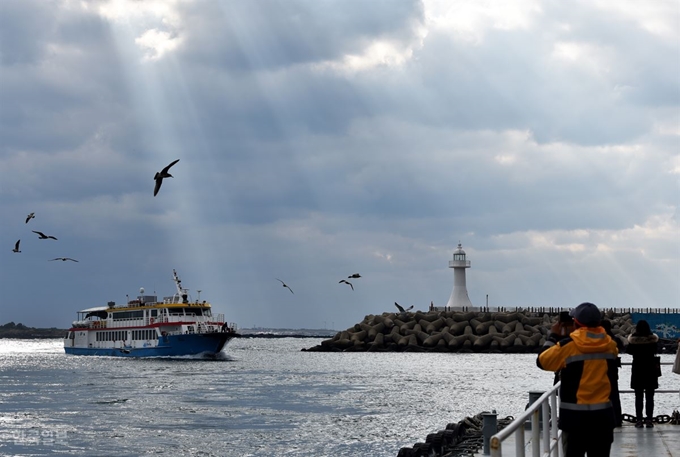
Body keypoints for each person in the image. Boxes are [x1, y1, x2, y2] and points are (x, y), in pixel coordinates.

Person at [537, 302, 618, 457]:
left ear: (576, 323)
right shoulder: (610, 345)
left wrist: (554, 336)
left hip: (574, 420)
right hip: (603, 419)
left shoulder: (567, 346)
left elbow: (542, 361)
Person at [626, 320, 660, 428]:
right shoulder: (652, 340)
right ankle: (649, 419)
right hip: (650, 369)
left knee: (638, 396)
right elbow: (656, 350)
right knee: (650, 396)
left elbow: (629, 351)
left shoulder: (633, 340)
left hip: (638, 369)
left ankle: (639, 420)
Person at [601, 319, 623, 427]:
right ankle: (617, 419)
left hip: (601, 372)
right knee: (614, 396)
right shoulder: (615, 340)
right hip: (613, 372)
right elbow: (621, 347)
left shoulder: (600, 340)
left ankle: (603, 419)